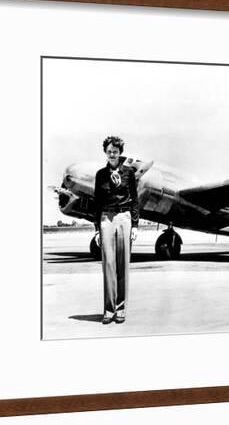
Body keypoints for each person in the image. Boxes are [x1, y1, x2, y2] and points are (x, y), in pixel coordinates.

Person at [93, 136, 139, 324]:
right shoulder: (100, 175)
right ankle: (109, 310)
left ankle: (121, 309)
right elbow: (97, 203)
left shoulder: (129, 173)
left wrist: (135, 225)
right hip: (106, 218)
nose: (112, 154)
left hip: (124, 217)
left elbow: (135, 200)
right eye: (109, 151)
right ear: (105, 152)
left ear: (120, 153)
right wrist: (97, 229)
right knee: (109, 266)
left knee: (123, 265)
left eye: (115, 151)